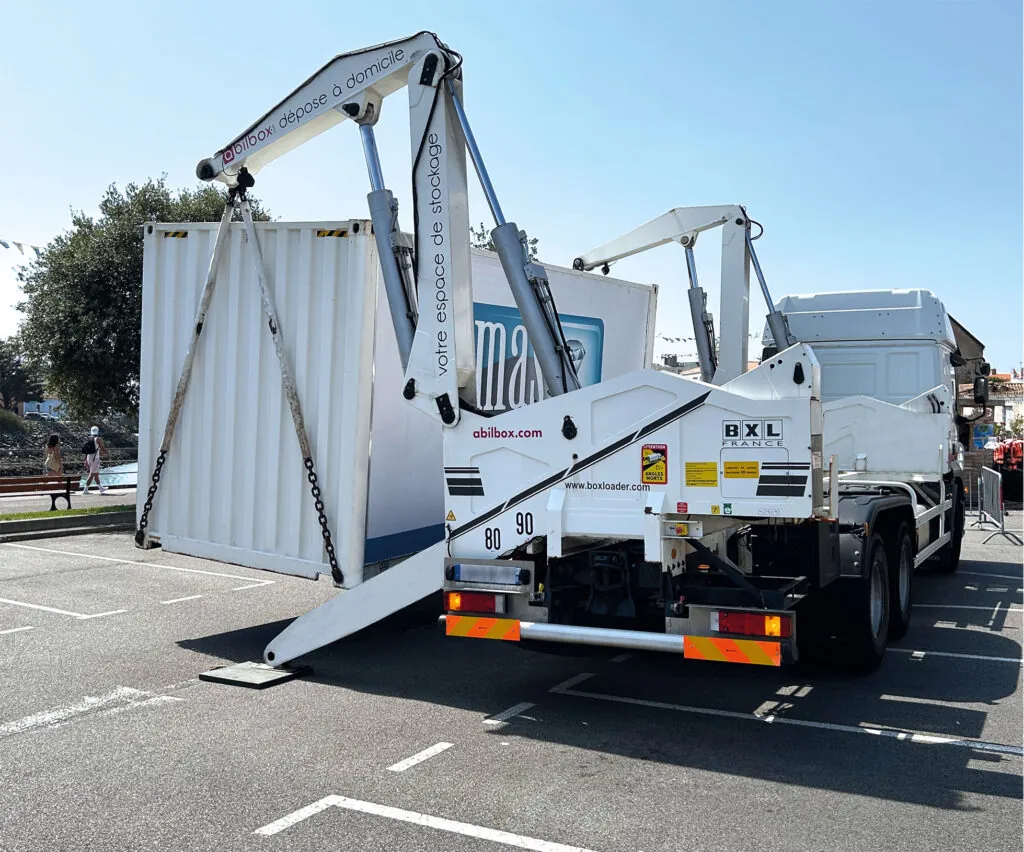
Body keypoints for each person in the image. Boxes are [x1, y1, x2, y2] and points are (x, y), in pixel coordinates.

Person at [82, 425, 107, 494]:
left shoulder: (89, 438)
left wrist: (85, 460)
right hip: (95, 459)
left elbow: (86, 451)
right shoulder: (98, 439)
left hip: (89, 458)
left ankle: (101, 488)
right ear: (97, 431)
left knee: (96, 474)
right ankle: (85, 490)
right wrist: (107, 453)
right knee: (92, 474)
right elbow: (102, 447)